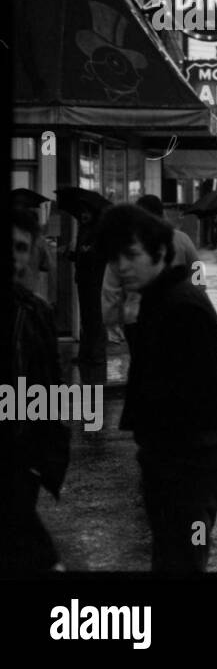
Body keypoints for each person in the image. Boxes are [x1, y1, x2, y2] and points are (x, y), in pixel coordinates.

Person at [94, 204, 217, 574]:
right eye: (116, 256)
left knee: (181, 563)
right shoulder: (155, 302)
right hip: (177, 462)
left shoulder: (181, 306)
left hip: (189, 467)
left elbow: (188, 395)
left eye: (132, 255)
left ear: (158, 252)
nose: (122, 266)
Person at [1, 209, 71, 574]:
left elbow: (52, 387)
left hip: (18, 461)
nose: (13, 256)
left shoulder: (36, 312)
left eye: (20, 247)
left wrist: (46, 459)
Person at [102, 195, 202, 349]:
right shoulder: (182, 239)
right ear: (163, 214)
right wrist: (198, 291)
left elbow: (110, 288)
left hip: (136, 316)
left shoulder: (127, 242)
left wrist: (112, 320)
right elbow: (197, 267)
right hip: (178, 311)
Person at [70, 206, 107, 369]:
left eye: (86, 211)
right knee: (86, 318)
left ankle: (97, 355)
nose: (83, 214)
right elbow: (80, 254)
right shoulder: (82, 230)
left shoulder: (98, 231)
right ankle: (85, 354)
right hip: (84, 279)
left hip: (95, 280)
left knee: (95, 317)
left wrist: (87, 251)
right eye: (82, 211)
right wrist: (73, 254)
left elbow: (101, 254)